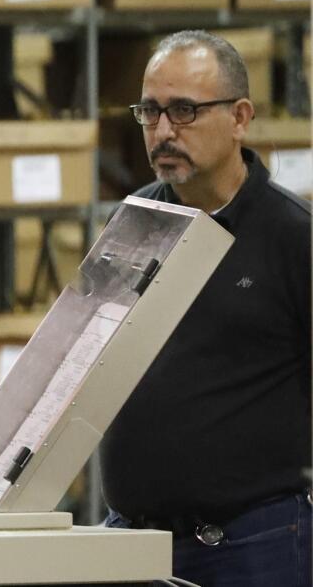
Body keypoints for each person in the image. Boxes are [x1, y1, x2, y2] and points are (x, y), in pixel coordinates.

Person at [100, 30, 311, 586]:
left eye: (185, 111)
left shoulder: (293, 238)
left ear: (240, 118)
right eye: (150, 111)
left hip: (251, 545)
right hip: (130, 540)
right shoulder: (134, 220)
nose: (164, 131)